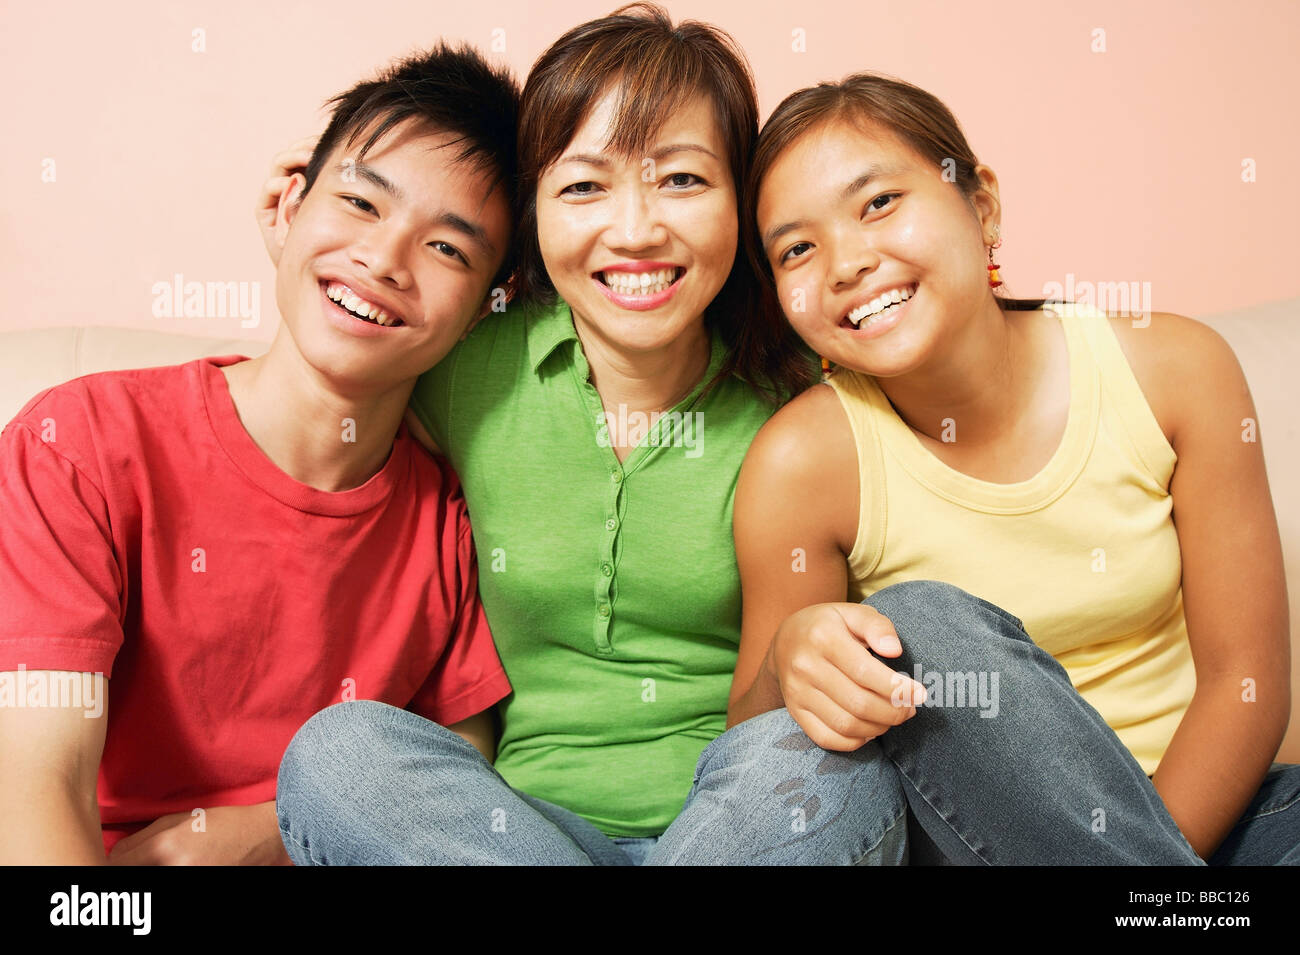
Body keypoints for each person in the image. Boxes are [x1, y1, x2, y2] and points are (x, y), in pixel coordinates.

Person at [270, 5, 1205, 865]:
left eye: (681, 179)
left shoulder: (817, 395)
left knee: (814, 765)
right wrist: (305, 249)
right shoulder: (469, 367)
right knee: (339, 753)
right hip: (522, 834)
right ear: (534, 216)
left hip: (761, 817)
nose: (634, 231)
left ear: (741, 208)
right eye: (584, 186)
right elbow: (322, 403)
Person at [732, 71, 1298, 864]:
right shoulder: (800, 464)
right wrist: (788, 661)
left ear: (982, 202)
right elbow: (755, 768)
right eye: (797, 247)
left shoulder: (1178, 371)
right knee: (923, 624)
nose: (847, 261)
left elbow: (1248, 682)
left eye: (879, 204)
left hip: (1210, 824)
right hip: (970, 841)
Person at [0, 44, 516, 864]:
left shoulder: (447, 522)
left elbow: (458, 769)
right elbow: (36, 789)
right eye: (360, 203)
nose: (383, 262)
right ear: (287, 203)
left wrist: (256, 834)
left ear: (490, 308)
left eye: (448, 249)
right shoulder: (79, 446)